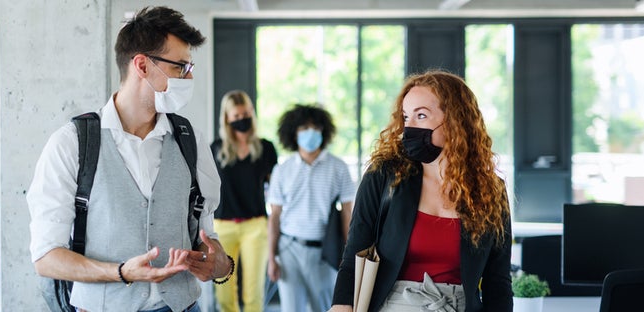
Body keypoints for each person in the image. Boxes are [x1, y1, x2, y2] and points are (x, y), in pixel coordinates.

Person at [27, 6, 233, 312]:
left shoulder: (191, 141)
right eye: (180, 67)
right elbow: (46, 257)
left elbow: (208, 238)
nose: (188, 77)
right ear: (142, 65)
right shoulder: (71, 144)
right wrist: (120, 273)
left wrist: (218, 264)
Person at [329, 70, 513, 312]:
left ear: (456, 120)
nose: (409, 127)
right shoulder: (384, 175)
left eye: (421, 115)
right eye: (406, 117)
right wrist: (341, 306)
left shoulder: (490, 190)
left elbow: (497, 280)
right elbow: (354, 252)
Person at [267, 104, 356, 312]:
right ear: (293, 133)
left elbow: (347, 213)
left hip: (325, 252)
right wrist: (271, 258)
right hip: (289, 250)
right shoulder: (282, 170)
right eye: (304, 128)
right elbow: (275, 217)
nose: (310, 133)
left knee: (326, 308)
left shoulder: (339, 168)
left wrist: (348, 256)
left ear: (324, 132)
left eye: (315, 128)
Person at [210, 90, 278, 312]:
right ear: (227, 118)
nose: (242, 120)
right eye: (237, 116)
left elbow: (276, 188)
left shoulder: (266, 148)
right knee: (224, 290)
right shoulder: (216, 149)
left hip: (255, 225)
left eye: (246, 114)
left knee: (253, 291)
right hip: (223, 226)